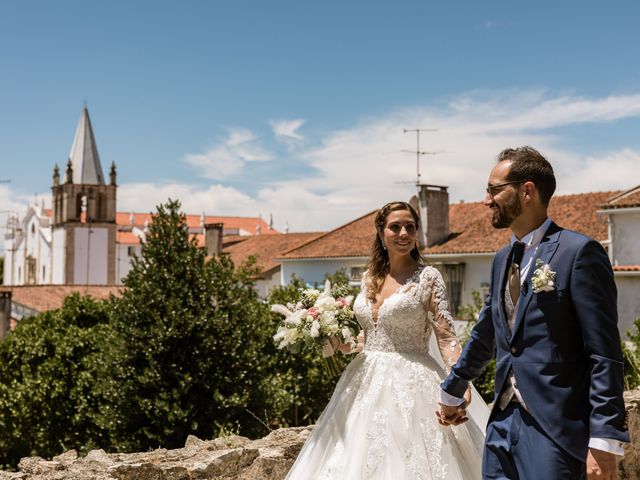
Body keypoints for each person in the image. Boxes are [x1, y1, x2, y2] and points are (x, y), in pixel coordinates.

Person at [438, 147, 629, 480]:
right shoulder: (501, 258)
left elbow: (604, 354)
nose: (486, 200)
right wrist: (452, 389)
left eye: (494, 189)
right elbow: (487, 333)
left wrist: (605, 439)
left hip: (554, 429)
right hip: (501, 424)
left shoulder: (579, 253)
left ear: (527, 191)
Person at [286, 201, 489, 480]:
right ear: (382, 234)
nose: (404, 233)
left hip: (414, 382)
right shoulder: (369, 278)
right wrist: (333, 338)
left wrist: (460, 386)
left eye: (410, 227)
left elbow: (446, 339)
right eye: (395, 227)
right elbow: (366, 337)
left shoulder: (429, 277)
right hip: (362, 382)